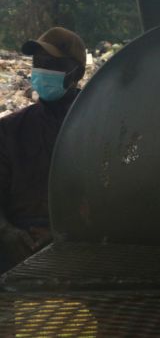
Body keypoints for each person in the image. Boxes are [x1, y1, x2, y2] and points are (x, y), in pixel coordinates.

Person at [0, 27, 87, 272]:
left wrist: (62, 233)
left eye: (52, 63)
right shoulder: (10, 129)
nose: (42, 70)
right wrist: (6, 232)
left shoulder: (97, 123)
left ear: (76, 72)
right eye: (38, 62)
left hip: (80, 241)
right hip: (19, 240)